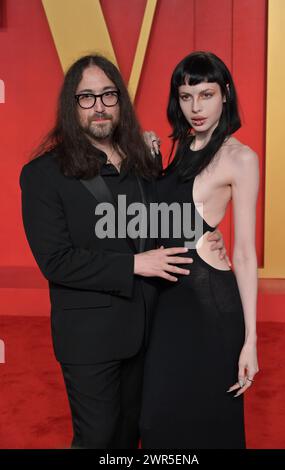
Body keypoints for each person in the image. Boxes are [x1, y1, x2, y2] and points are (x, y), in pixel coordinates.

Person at [20, 54, 226, 449]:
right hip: (89, 338)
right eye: (86, 97)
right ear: (71, 104)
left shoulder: (142, 160)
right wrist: (134, 264)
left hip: (148, 330)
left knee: (134, 435)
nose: (99, 105)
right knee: (98, 438)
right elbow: (56, 261)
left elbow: (156, 225)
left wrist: (201, 237)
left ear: (120, 101)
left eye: (108, 95)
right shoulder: (42, 175)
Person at [140, 51, 260, 449]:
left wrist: (251, 340)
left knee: (207, 421)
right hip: (169, 300)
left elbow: (244, 252)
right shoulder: (182, 145)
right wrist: (149, 158)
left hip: (208, 302)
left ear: (225, 94)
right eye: (187, 96)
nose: (196, 107)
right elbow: (160, 218)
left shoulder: (240, 158)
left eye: (206, 95)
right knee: (158, 419)